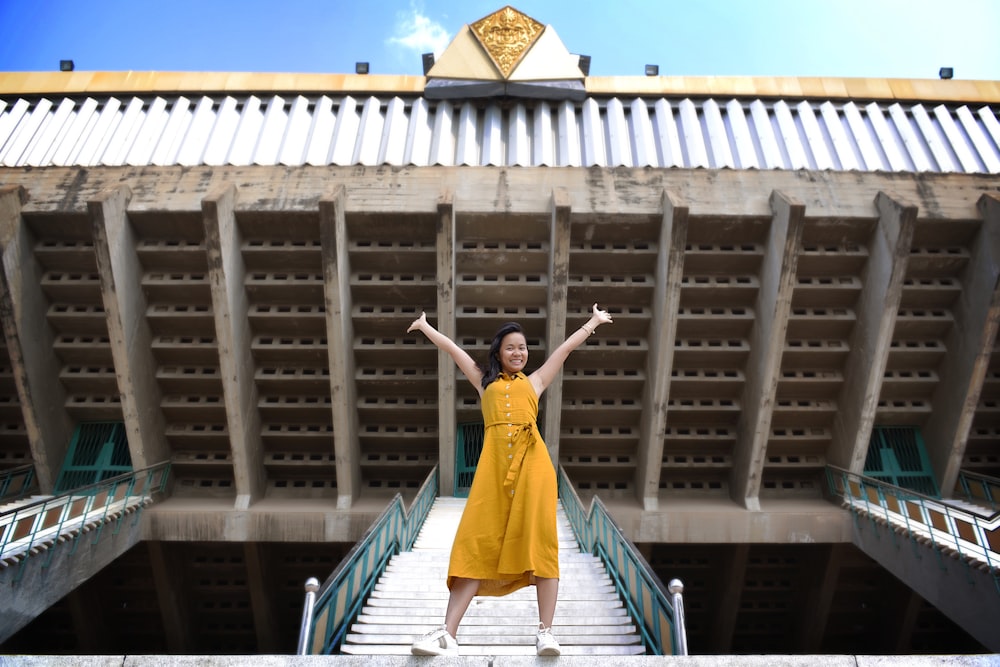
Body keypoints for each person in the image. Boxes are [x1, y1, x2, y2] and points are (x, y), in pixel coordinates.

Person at [408, 303, 614, 657]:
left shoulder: (535, 382)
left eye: (522, 347)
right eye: (511, 347)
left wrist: (593, 322)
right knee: (475, 542)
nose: (518, 352)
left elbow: (565, 349)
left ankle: (546, 632)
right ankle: (447, 635)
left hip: (533, 469)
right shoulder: (482, 380)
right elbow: (453, 349)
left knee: (541, 544)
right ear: (498, 353)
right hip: (492, 473)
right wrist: (426, 327)